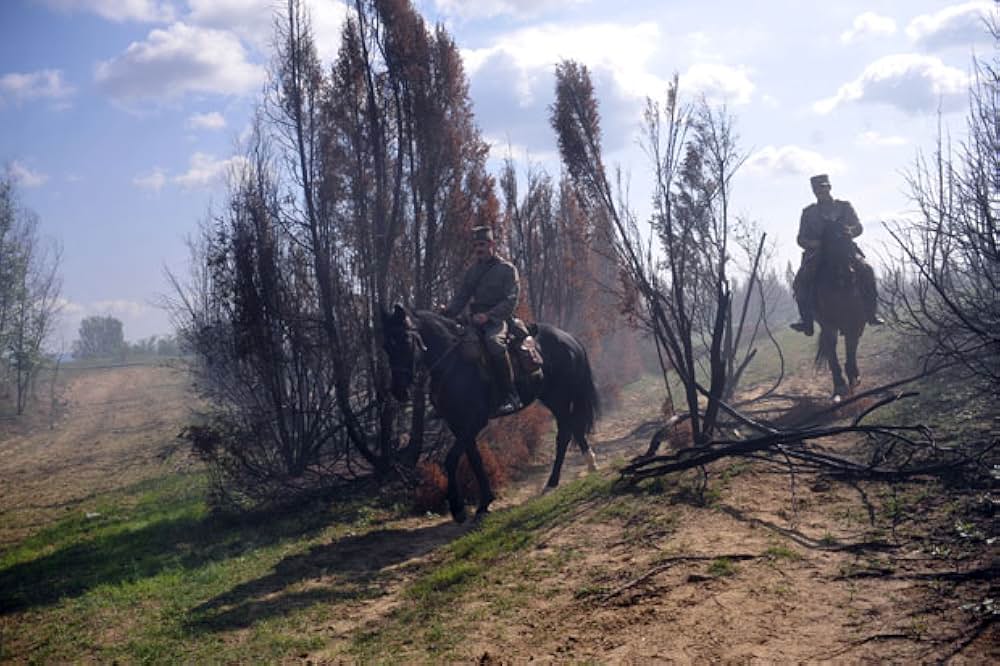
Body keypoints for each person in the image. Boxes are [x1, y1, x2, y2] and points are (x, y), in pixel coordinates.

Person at [790, 174, 885, 336]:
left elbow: (858, 227)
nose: (821, 192)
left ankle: (871, 313)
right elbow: (801, 238)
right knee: (801, 280)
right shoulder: (808, 213)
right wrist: (815, 244)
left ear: (829, 187)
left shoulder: (844, 207)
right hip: (819, 253)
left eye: (823, 188)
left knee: (867, 270)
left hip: (845, 249)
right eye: (817, 189)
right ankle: (806, 320)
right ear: (813, 191)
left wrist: (848, 232)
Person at [442, 226, 522, 415]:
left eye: (483, 244)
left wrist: (489, 315)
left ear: (492, 244)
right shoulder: (472, 272)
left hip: (498, 320)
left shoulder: (507, 269)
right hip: (475, 320)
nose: (479, 249)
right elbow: (462, 296)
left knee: (494, 343)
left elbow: (511, 299)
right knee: (457, 344)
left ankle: (511, 396)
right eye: (476, 245)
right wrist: (448, 311)